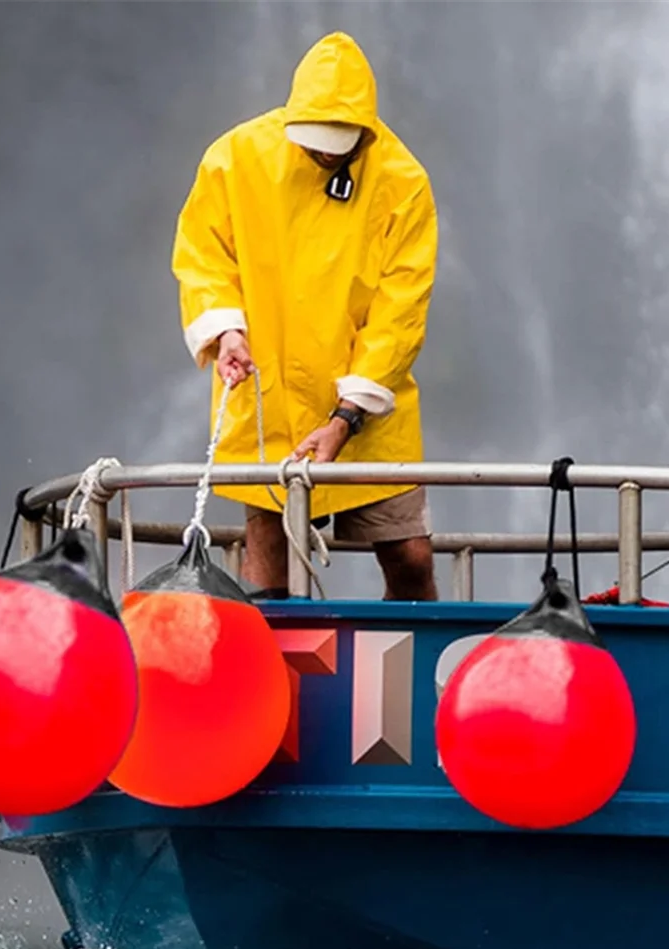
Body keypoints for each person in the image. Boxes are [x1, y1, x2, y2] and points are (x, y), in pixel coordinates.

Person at [172, 30, 439, 601]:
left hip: (369, 415)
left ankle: (421, 654)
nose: (324, 154)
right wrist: (225, 330)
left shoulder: (403, 182)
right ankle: (269, 661)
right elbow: (202, 256)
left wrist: (347, 416)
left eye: (337, 145)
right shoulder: (235, 158)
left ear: (365, 132)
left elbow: (400, 312)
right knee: (267, 559)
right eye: (315, 143)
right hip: (266, 397)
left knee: (410, 557)